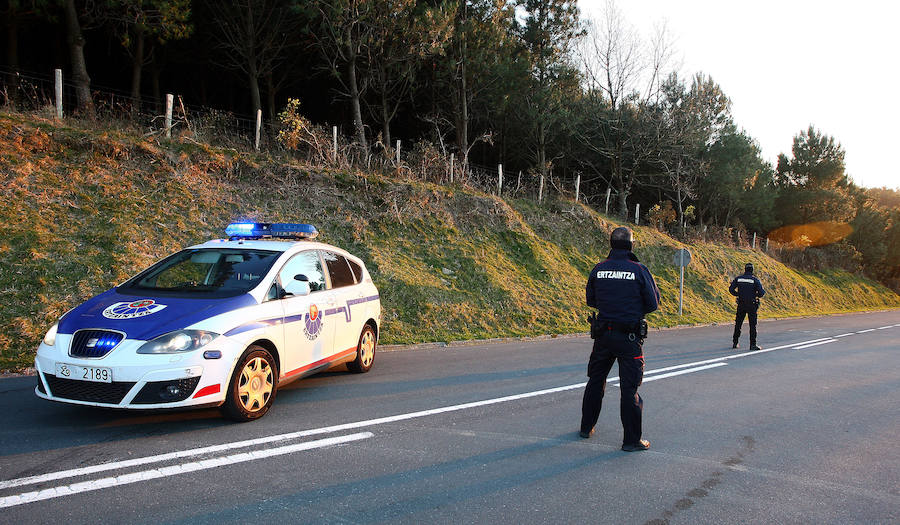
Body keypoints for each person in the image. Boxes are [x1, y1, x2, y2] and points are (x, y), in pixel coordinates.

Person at [581, 227, 660, 452]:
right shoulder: (639, 270)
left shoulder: (599, 268)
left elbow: (591, 299)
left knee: (596, 381)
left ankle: (586, 427)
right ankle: (631, 441)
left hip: (603, 334)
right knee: (629, 388)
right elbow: (653, 303)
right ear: (631, 245)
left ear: (611, 243)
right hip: (629, 337)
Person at [729, 262, 766, 350]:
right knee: (752, 325)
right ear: (752, 270)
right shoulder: (755, 280)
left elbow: (731, 289)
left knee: (738, 323)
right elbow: (762, 293)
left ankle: (735, 342)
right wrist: (755, 295)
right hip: (752, 304)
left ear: (745, 269)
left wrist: (738, 294)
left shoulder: (739, 279)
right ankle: (752, 345)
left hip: (741, 303)